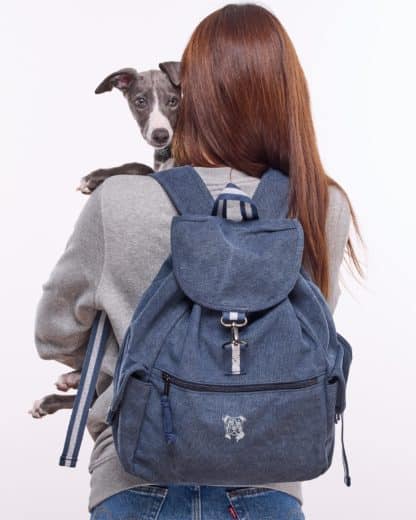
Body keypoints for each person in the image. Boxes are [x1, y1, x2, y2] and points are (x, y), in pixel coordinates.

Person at [34, 3, 363, 519]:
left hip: (134, 477)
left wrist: (127, 356)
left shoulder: (118, 200)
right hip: (269, 480)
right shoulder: (322, 204)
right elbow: (307, 335)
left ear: (190, 90)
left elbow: (53, 336)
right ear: (290, 96)